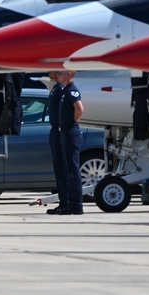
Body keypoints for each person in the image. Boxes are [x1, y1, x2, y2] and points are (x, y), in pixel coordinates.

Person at [57, 70, 85, 215]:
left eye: (61, 73)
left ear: (69, 74)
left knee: (73, 169)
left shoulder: (72, 90)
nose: (58, 75)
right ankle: (70, 203)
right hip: (65, 132)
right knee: (68, 169)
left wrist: (74, 119)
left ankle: (76, 205)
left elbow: (80, 108)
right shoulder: (65, 90)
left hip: (70, 132)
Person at [45, 70, 68, 215]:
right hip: (54, 130)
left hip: (60, 130)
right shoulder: (55, 87)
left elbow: (74, 109)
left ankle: (67, 202)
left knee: (63, 169)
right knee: (58, 170)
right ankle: (63, 201)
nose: (49, 71)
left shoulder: (61, 89)